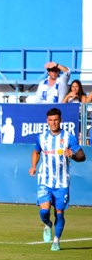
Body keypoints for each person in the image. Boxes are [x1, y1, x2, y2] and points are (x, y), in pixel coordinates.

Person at [29, 108, 86, 251]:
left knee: (59, 213)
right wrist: (33, 166)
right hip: (44, 180)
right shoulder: (41, 137)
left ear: (60, 120)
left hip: (62, 183)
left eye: (55, 120)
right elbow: (36, 152)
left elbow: (82, 156)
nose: (53, 123)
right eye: (50, 120)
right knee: (44, 212)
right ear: (47, 121)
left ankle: (56, 240)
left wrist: (72, 154)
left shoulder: (68, 137)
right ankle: (48, 224)